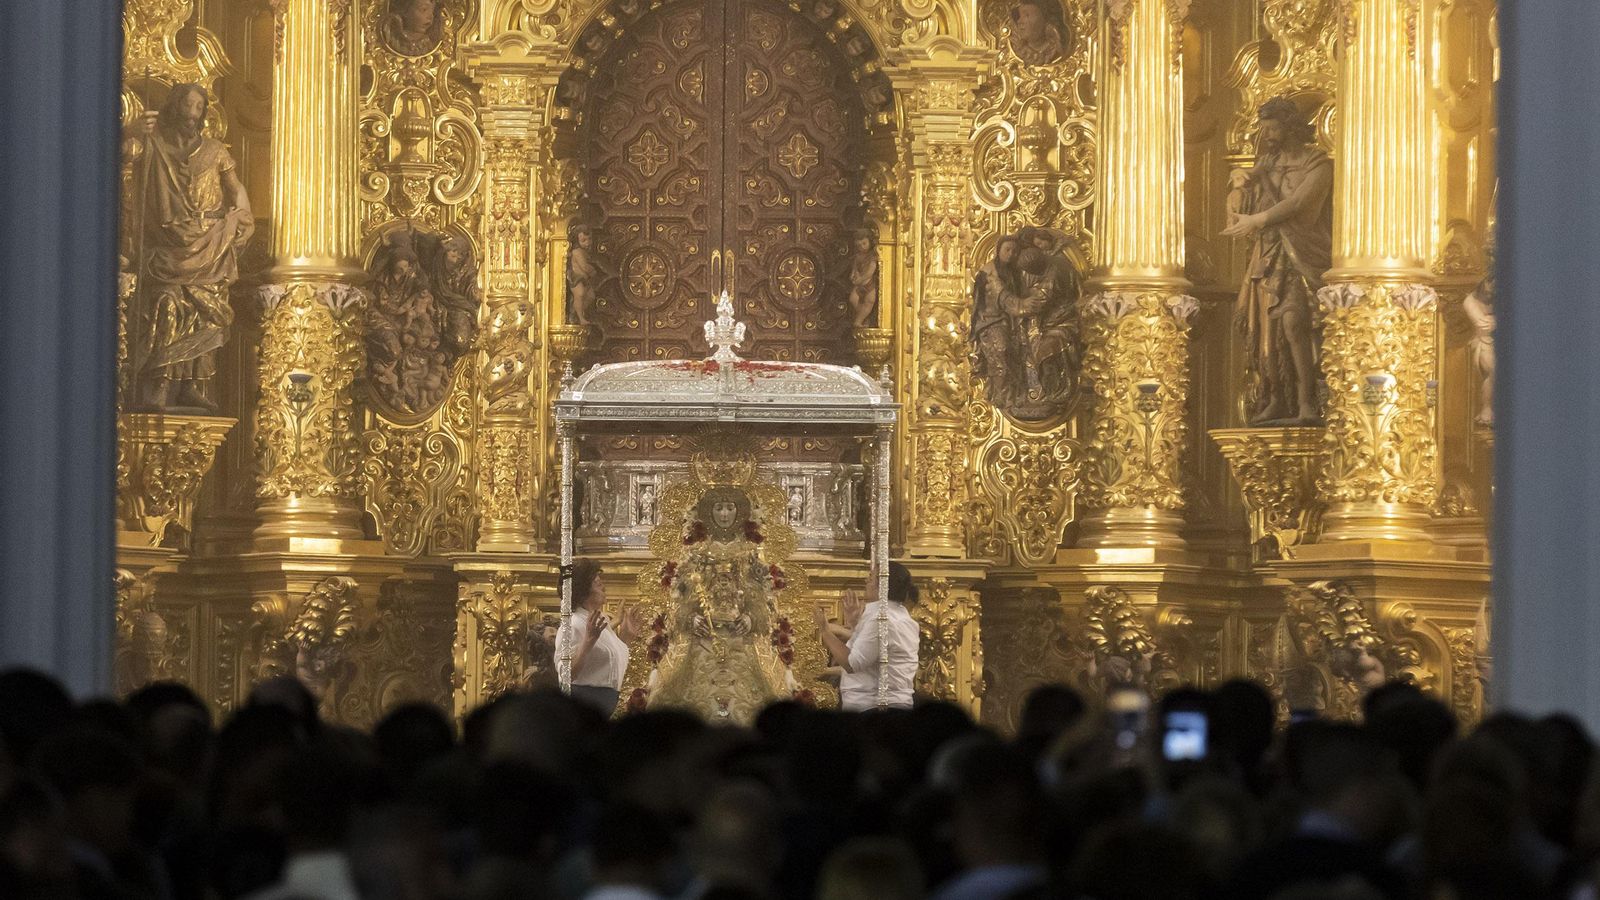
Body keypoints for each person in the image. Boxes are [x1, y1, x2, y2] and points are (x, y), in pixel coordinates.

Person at [814, 561, 920, 711]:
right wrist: (855, 624)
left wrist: (825, 630)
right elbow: (871, 653)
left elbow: (852, 664)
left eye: (871, 577)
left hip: (874, 708)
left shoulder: (882, 619)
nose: (866, 581)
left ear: (882, 585)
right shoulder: (900, 616)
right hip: (888, 705)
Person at [556, 559, 640, 715]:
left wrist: (626, 637)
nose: (603, 586)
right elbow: (565, 675)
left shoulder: (602, 622)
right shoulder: (573, 624)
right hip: (582, 707)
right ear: (582, 591)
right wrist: (586, 645)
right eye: (596, 583)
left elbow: (611, 667)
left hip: (605, 706)